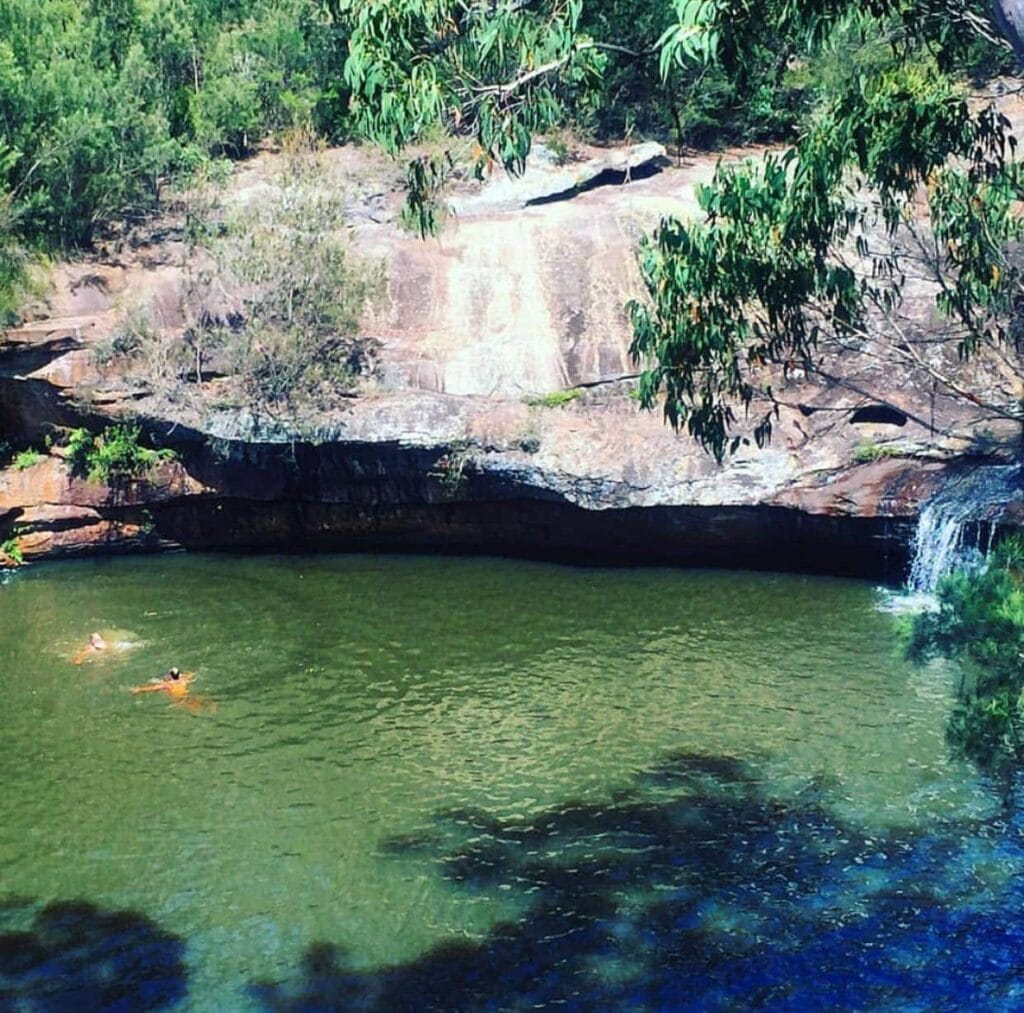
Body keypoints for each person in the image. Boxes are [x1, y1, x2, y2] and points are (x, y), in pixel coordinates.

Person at [130, 667, 195, 700]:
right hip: (187, 696)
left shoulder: (168, 684)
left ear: (170, 675)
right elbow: (191, 674)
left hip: (178, 700)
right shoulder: (184, 680)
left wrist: (138, 689)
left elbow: (153, 688)